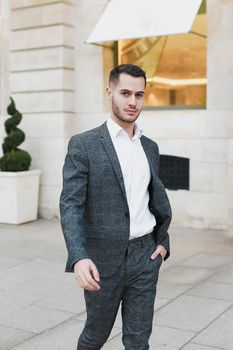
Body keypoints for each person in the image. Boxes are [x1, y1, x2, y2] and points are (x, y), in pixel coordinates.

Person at [60, 64, 172, 350]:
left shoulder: (150, 147)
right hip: (101, 260)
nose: (133, 101)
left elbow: (153, 200)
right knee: (95, 336)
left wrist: (162, 242)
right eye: (125, 93)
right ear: (109, 92)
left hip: (145, 257)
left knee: (138, 341)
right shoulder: (84, 145)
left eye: (139, 94)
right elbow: (71, 204)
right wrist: (79, 256)